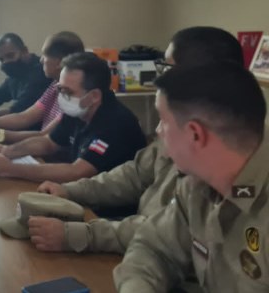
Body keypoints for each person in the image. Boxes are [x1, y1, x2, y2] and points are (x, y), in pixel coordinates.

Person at [32, 26, 244, 255]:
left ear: (203, 76)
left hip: (155, 251)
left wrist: (81, 234)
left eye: (167, 67)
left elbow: (168, 231)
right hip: (139, 244)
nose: (160, 76)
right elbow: (133, 175)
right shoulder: (179, 124)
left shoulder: (228, 152)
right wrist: (69, 191)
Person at [113, 62, 269, 292]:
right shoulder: (198, 184)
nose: (158, 131)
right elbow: (152, 248)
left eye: (163, 121)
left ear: (195, 134)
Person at [0, 52, 145, 183]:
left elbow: (77, 172)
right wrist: (7, 151)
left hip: (107, 208)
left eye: (68, 92)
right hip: (80, 193)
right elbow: (48, 143)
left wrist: (10, 169)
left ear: (94, 96)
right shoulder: (79, 109)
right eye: (60, 89)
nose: (62, 96)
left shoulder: (115, 123)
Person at [0, 31, 84, 145]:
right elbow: (24, 117)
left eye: (45, 56)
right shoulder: (55, 85)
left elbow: (46, 138)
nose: (41, 60)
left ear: (59, 62)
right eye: (1, 59)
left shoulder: (74, 96)